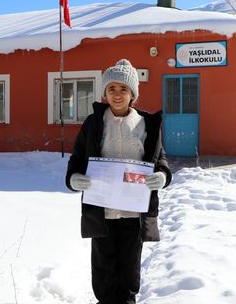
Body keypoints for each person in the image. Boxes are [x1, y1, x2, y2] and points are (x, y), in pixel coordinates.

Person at [65, 59, 172, 304]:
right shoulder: (93, 124)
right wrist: (73, 178)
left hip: (134, 216)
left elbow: (161, 159)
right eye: (111, 88)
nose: (117, 94)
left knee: (128, 278)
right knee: (104, 278)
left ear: (133, 93)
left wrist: (162, 176)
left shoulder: (147, 124)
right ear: (104, 93)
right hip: (102, 213)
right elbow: (77, 158)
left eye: (123, 89)